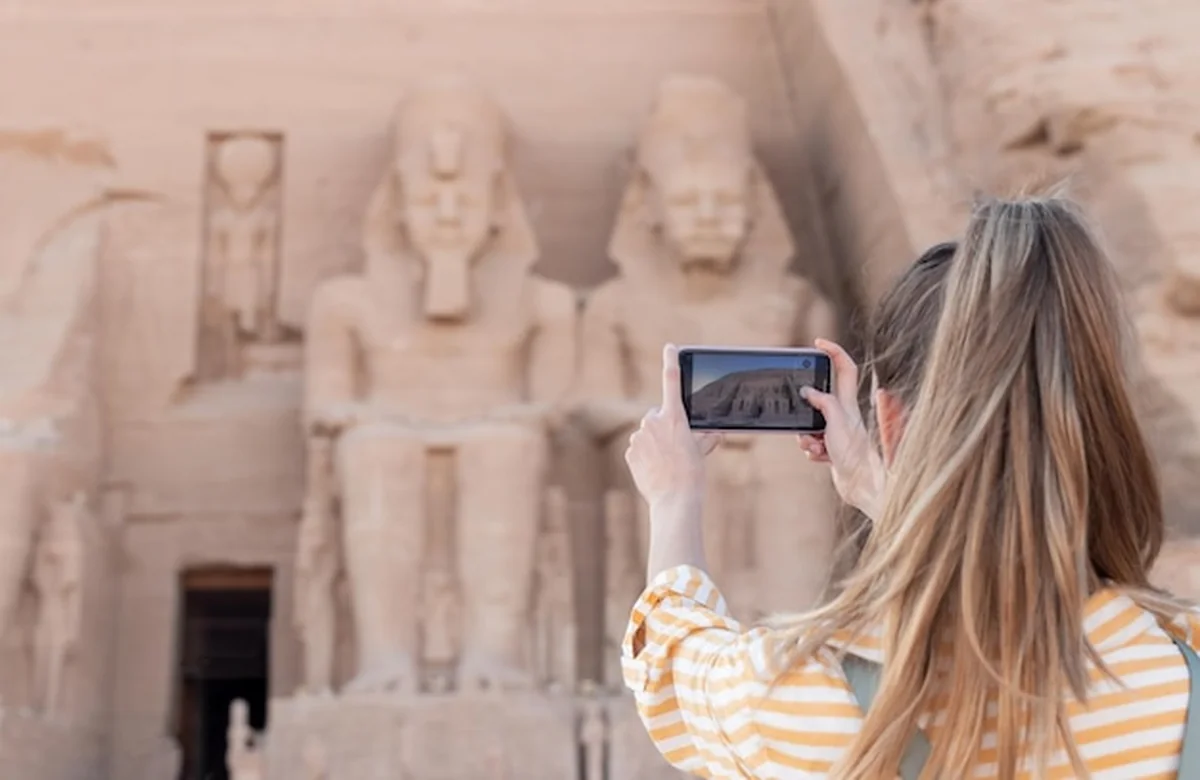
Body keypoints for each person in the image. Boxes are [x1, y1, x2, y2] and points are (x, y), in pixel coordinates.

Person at [621, 195, 1200, 779]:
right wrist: (878, 487)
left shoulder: (812, 699)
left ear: (889, 421)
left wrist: (675, 497)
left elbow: (673, 673)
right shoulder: (1183, 668)